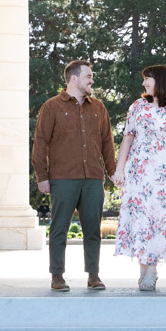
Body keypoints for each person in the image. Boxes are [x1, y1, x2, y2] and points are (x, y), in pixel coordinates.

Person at [33, 58, 119, 292]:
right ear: (74, 79)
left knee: (93, 229)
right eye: (88, 76)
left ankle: (93, 275)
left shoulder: (98, 107)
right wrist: (42, 176)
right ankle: (57, 276)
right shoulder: (51, 106)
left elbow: (107, 142)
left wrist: (113, 171)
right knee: (59, 228)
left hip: (93, 177)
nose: (92, 80)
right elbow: (40, 143)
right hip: (62, 177)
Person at [113, 63, 166, 292]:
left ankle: (151, 268)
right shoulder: (137, 107)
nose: (144, 83)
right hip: (139, 170)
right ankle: (146, 266)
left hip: (164, 170)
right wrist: (119, 169)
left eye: (147, 79)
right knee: (141, 217)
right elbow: (127, 139)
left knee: (160, 217)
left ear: (159, 80)